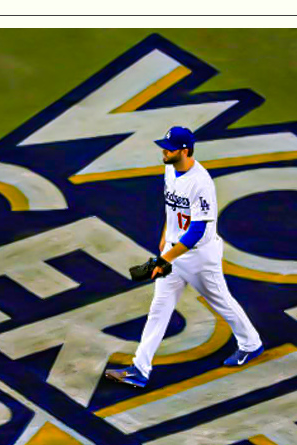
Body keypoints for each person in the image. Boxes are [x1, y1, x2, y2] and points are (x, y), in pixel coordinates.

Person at [105, 126, 265, 388]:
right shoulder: (169, 169)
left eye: (169, 148)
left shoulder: (201, 183)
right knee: (159, 309)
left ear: (185, 150)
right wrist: (165, 240)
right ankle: (139, 369)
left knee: (221, 300)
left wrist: (164, 259)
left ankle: (251, 344)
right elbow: (172, 209)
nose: (163, 151)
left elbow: (197, 230)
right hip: (174, 252)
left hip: (200, 257)